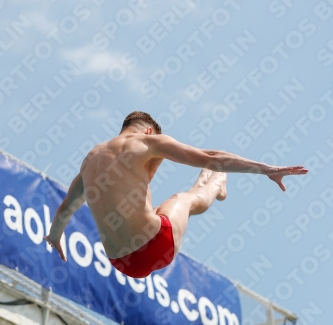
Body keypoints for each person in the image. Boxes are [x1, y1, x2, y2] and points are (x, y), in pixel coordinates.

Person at [44, 111, 308, 278]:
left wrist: (54, 237)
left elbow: (66, 209)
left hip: (121, 263)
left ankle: (213, 181)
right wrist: (266, 169)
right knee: (183, 199)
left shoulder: (88, 163)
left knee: (152, 203)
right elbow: (210, 156)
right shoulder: (148, 141)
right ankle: (216, 184)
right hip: (156, 245)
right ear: (149, 131)